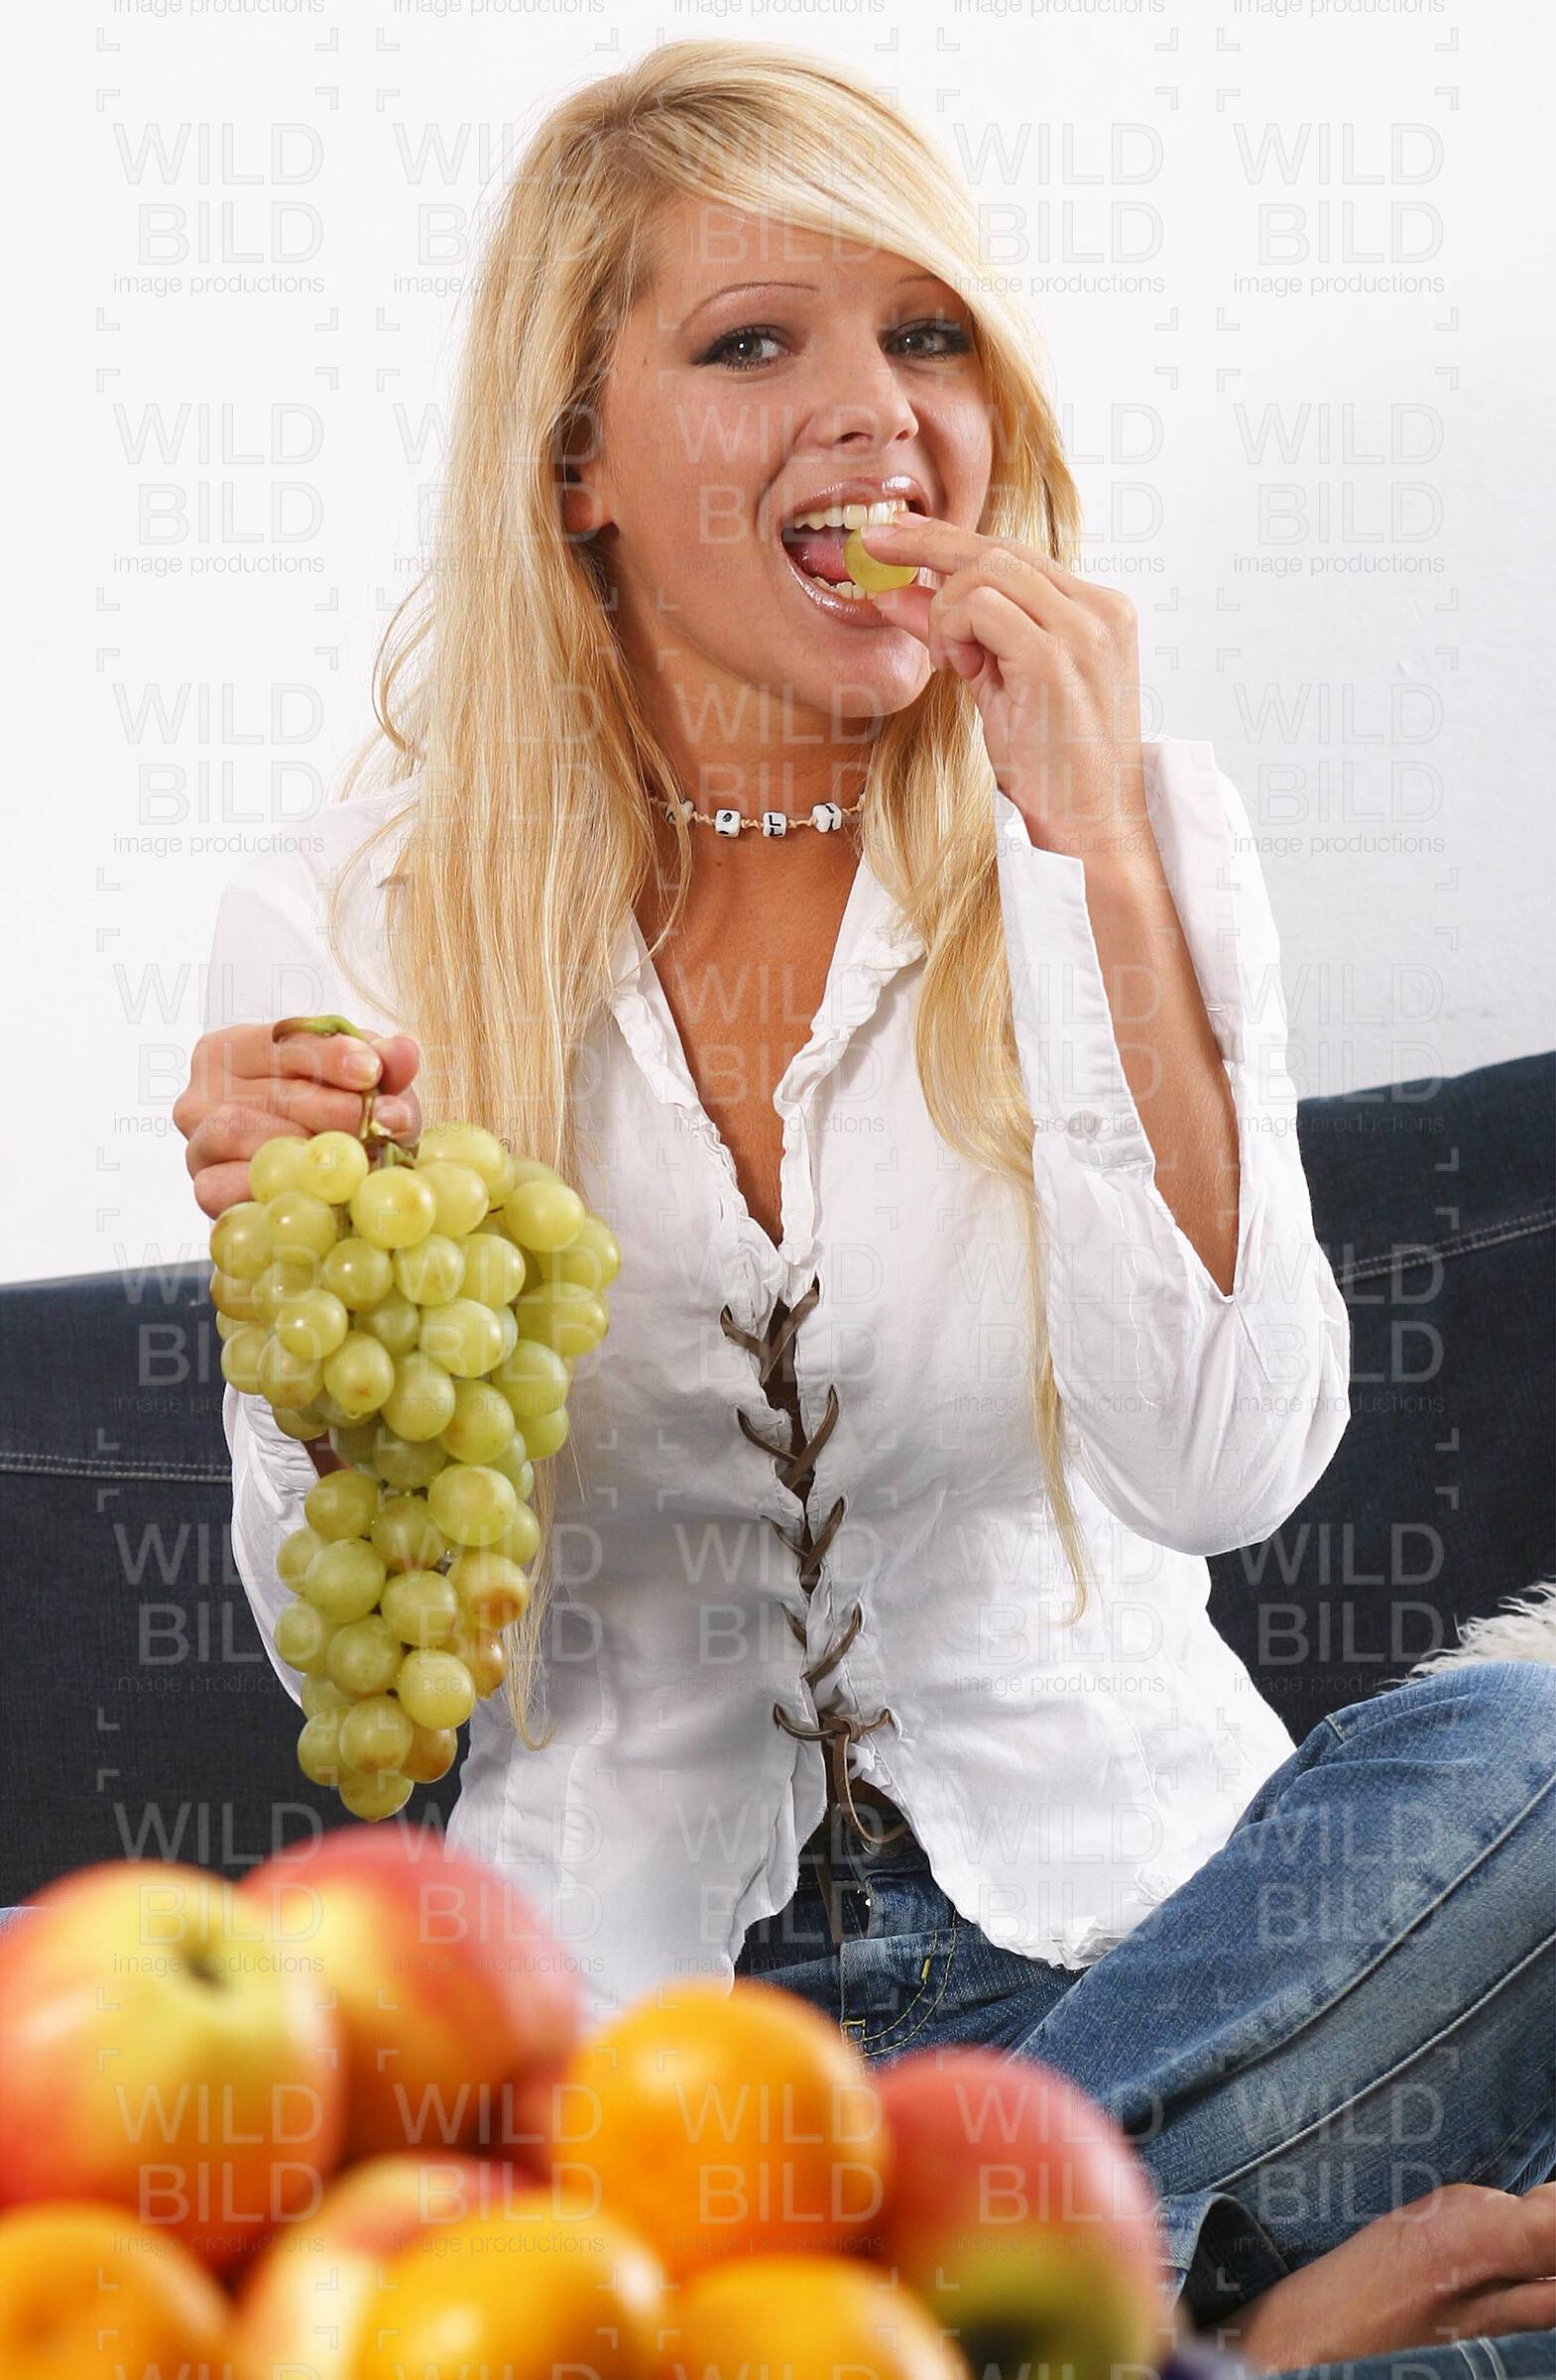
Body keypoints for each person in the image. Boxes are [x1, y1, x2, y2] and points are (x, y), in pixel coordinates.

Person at [173, 40, 1556, 2374]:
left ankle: (827, 2329)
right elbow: (367, 1684)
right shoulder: (360, 917)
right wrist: (306, 1328)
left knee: (1520, 1759)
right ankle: (1241, 2328)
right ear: (576, 465)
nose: (877, 415)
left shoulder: (1130, 831)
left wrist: (1085, 861)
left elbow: (1221, 1470)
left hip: (1159, 1965)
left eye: (927, 338)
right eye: (752, 344)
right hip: (637, 2046)